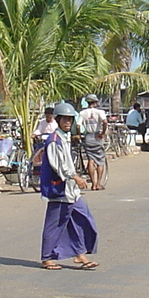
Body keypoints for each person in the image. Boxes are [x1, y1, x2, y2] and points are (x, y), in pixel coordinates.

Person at [37, 102, 100, 270]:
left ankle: (79, 253)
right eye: (64, 119)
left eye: (70, 120)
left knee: (81, 217)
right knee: (55, 224)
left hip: (71, 191)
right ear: (58, 120)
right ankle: (47, 257)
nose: (67, 122)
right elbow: (58, 166)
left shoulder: (65, 138)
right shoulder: (54, 141)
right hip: (59, 189)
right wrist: (75, 177)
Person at [77, 95, 108, 190]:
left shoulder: (82, 113)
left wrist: (79, 135)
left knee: (91, 160)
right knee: (100, 161)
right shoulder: (100, 112)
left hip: (88, 136)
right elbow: (105, 122)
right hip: (97, 136)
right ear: (95, 102)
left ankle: (93, 184)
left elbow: (78, 125)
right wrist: (102, 133)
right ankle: (98, 183)